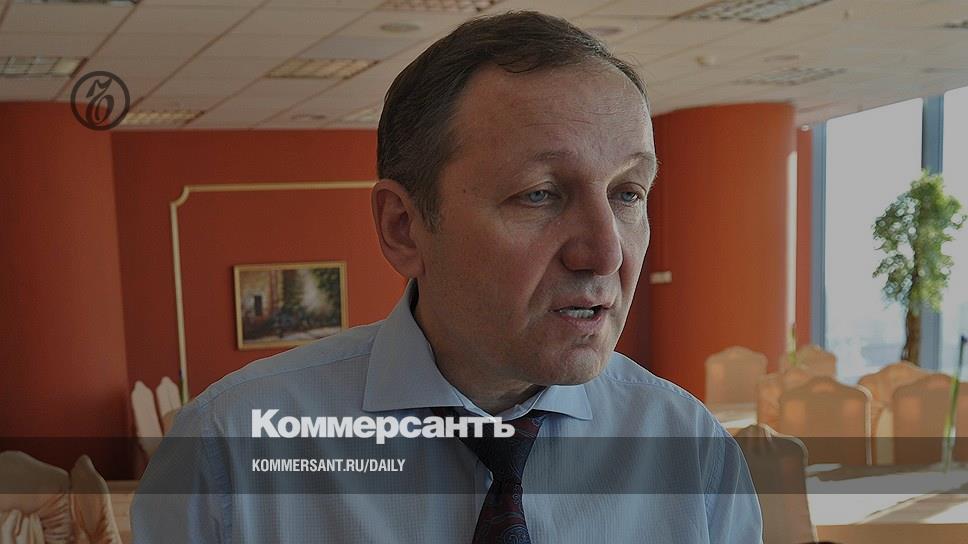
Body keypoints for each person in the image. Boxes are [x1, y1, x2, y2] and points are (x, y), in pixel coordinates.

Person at [132, 10, 762, 543]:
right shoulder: (226, 452)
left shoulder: (694, 453)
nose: (605, 253)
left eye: (628, 193)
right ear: (404, 228)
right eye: (540, 194)